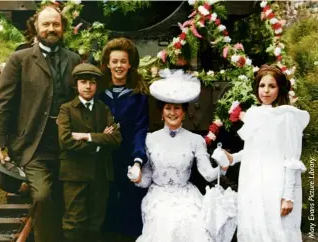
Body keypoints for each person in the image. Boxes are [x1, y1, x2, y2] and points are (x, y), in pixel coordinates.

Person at [0, 5, 81, 242]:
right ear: (36, 28)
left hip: (66, 145)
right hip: (32, 146)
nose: (51, 29)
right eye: (46, 24)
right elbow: (3, 104)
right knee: (43, 195)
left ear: (63, 28)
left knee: (68, 200)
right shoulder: (20, 59)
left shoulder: (74, 60)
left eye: (56, 24)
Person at [130, 69, 228, 242]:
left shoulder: (196, 140)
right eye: (168, 108)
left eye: (177, 108)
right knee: (165, 224)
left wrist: (222, 167)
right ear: (162, 112)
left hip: (186, 196)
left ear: (184, 112)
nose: (172, 113)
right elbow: (147, 178)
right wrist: (137, 178)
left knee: (190, 221)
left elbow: (207, 174)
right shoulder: (150, 139)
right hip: (158, 196)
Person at [225, 65, 310, 242]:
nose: (266, 91)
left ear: (280, 88)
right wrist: (233, 158)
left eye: (272, 86)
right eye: (262, 86)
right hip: (253, 180)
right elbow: (253, 149)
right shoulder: (254, 114)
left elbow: (291, 158)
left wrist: (287, 196)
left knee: (276, 230)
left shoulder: (287, 116)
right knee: (253, 228)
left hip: (275, 181)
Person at [58, 63, 122, 242]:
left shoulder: (103, 109)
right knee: (74, 221)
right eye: (83, 82)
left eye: (92, 82)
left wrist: (87, 136)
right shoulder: (67, 109)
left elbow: (116, 138)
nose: (88, 86)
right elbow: (66, 140)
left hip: (100, 174)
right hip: (74, 174)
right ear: (76, 85)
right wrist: (99, 142)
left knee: (96, 221)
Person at [99, 37, 149, 241]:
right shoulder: (100, 94)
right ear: (107, 64)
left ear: (130, 65)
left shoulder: (138, 96)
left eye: (123, 61)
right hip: (103, 157)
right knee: (106, 203)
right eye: (114, 61)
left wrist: (138, 159)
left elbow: (140, 128)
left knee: (130, 205)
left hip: (128, 155)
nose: (119, 66)